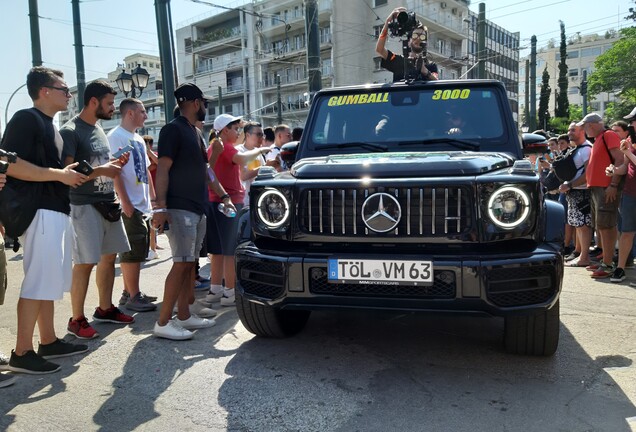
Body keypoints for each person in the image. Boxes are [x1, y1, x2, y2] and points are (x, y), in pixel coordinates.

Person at [0, 66, 89, 375]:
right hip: (39, 210)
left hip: (54, 209)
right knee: (39, 280)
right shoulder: (26, 118)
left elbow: (46, 170)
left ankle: (48, 341)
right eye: (64, 89)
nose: (69, 94)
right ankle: (22, 352)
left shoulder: (50, 124)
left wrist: (71, 173)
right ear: (44, 91)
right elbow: (8, 164)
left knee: (48, 280)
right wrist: (59, 175)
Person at [61, 80, 134, 339]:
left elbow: (96, 164)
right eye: (110, 103)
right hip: (83, 205)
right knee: (85, 262)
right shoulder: (70, 131)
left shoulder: (98, 129)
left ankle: (105, 309)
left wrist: (113, 163)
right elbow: (67, 172)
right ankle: (76, 319)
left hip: (107, 203)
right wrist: (104, 170)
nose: (113, 108)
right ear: (94, 102)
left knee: (108, 257)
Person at [152, 83, 219, 340]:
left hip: (195, 207)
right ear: (194, 103)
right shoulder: (172, 129)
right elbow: (163, 169)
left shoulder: (195, 132)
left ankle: (183, 315)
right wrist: (160, 207)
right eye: (205, 102)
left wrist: (221, 195)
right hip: (179, 208)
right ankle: (162, 322)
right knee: (181, 265)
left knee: (189, 264)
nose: (206, 107)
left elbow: (204, 170)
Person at [206, 114, 271, 307]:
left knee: (218, 251)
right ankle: (229, 293)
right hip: (229, 202)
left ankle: (215, 290)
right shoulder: (224, 147)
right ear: (225, 130)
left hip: (217, 202)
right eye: (235, 129)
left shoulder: (216, 146)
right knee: (230, 250)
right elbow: (241, 158)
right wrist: (263, 148)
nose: (238, 133)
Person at [107, 98, 157, 312]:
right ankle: (134, 296)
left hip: (142, 204)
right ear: (129, 113)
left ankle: (129, 292)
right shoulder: (115, 136)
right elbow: (114, 170)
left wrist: (153, 199)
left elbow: (145, 170)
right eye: (142, 111)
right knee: (132, 251)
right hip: (131, 204)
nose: (146, 115)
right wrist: (125, 201)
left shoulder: (137, 138)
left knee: (138, 248)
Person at [576, 113, 624, 279]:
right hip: (599, 188)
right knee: (603, 226)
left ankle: (608, 264)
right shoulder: (601, 138)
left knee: (606, 226)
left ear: (593, 125)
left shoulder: (608, 135)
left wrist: (613, 184)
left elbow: (619, 159)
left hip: (606, 187)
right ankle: (606, 260)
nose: (584, 130)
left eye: (585, 126)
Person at [606, 109, 636, 283]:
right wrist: (614, 171)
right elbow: (626, 167)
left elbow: (631, 158)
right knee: (626, 232)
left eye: (633, 120)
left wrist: (627, 152)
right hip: (630, 192)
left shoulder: (629, 144)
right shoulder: (631, 140)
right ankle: (620, 269)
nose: (631, 124)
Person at [559, 122, 593, 267]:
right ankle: (580, 253)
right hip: (574, 191)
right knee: (577, 224)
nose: (570, 132)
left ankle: (584, 257)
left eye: (573, 130)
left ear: (582, 131)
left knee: (583, 224)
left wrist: (570, 185)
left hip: (582, 191)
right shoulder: (578, 149)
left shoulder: (586, 150)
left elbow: (588, 174)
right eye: (569, 130)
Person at [375, 7, 438, 82]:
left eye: (422, 36)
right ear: (408, 41)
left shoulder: (431, 65)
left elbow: (437, 81)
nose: (418, 39)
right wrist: (387, 22)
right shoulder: (398, 60)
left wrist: (426, 72)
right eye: (415, 35)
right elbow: (379, 49)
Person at [142, 134, 161, 261]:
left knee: (154, 221)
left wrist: (149, 152)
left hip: (156, 193)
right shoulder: (141, 157)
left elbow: (158, 163)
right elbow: (148, 168)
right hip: (145, 193)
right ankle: (151, 248)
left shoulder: (154, 154)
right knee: (148, 222)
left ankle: (153, 248)